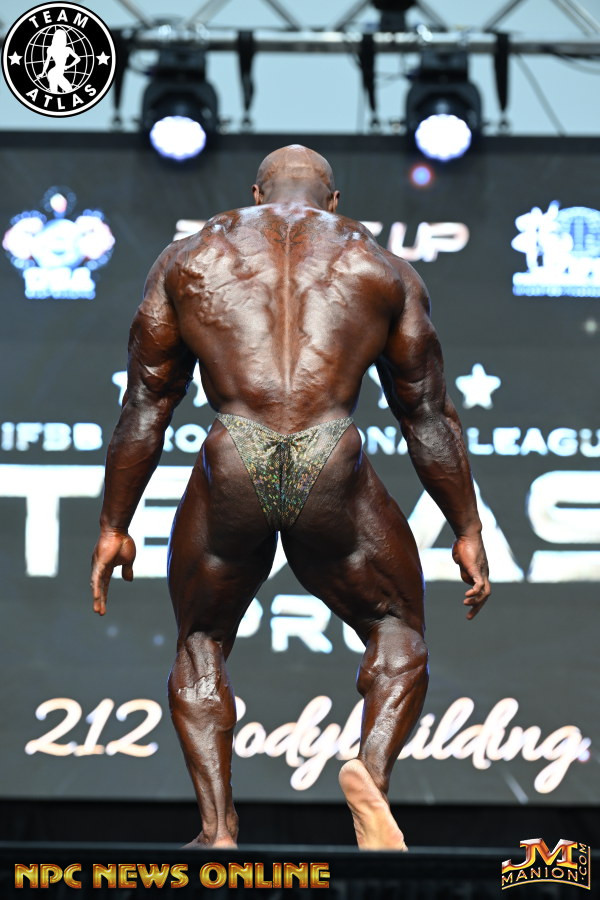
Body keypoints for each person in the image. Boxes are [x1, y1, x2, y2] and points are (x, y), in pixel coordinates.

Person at [91, 144, 490, 851]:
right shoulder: (379, 265)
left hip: (234, 455)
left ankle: (218, 830)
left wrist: (114, 524)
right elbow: (427, 414)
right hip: (328, 453)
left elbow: (146, 404)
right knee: (397, 629)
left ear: (256, 193)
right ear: (333, 201)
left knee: (201, 641)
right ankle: (370, 779)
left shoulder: (191, 257)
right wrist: (466, 526)